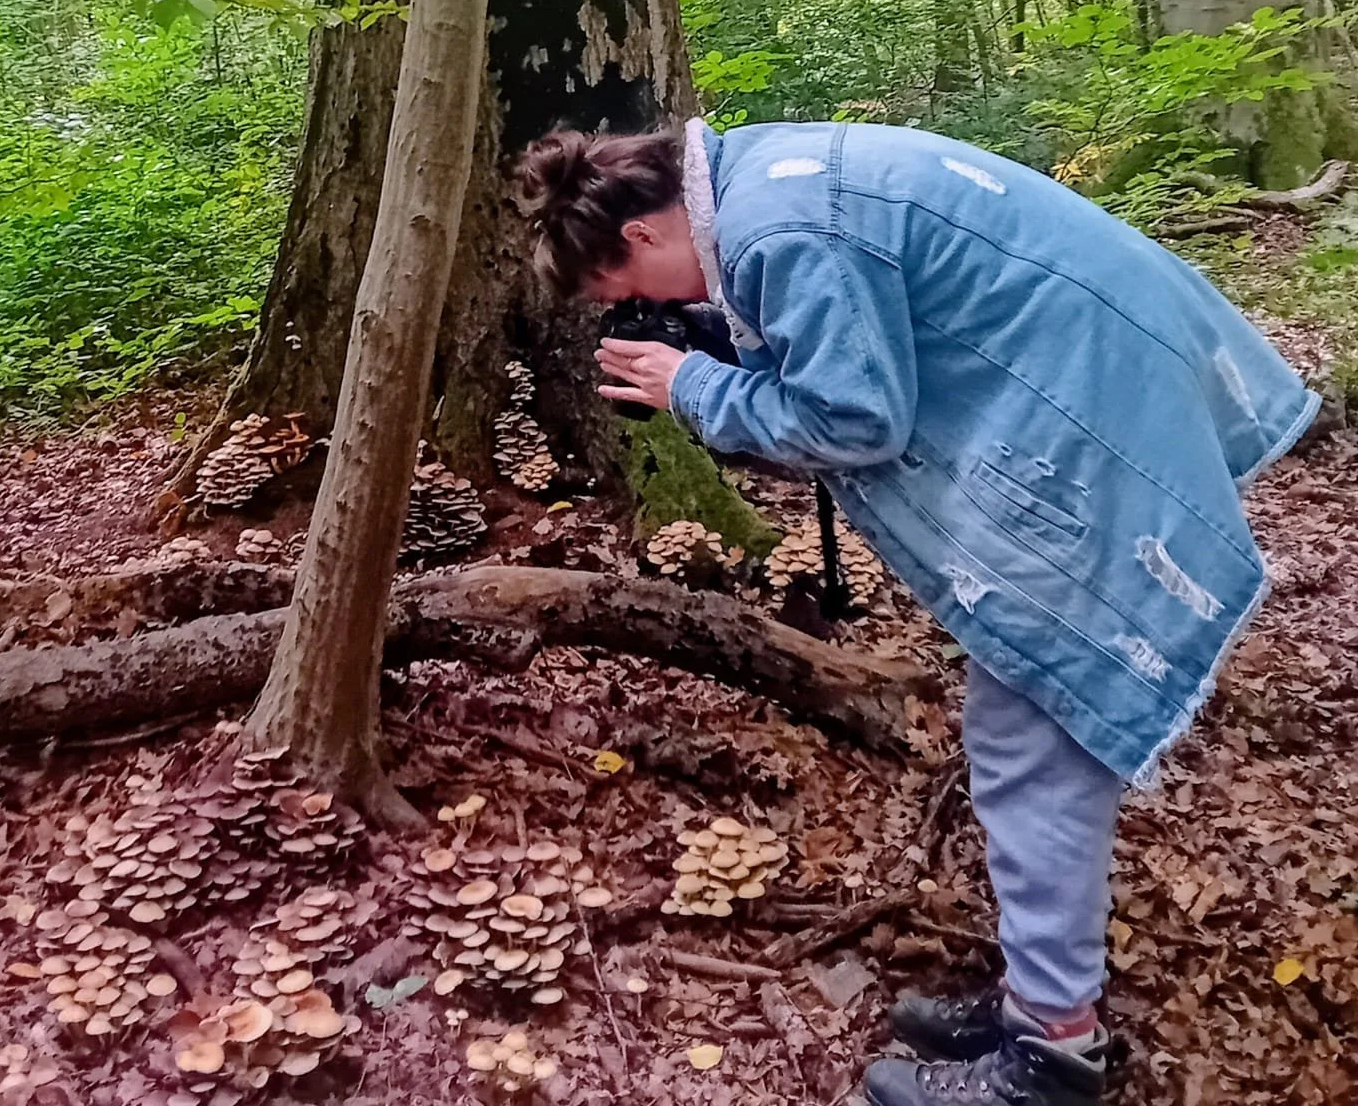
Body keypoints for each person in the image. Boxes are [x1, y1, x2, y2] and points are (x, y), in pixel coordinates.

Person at [514, 116, 1315, 1106]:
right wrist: (720, 358)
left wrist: (695, 384)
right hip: (1096, 380)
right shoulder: (761, 170)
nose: (654, 306)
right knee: (1015, 733)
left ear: (638, 235)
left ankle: (1051, 1053)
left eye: (630, 290)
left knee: (1037, 748)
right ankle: (1042, 995)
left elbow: (852, 416)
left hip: (1085, 428)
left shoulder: (776, 231)